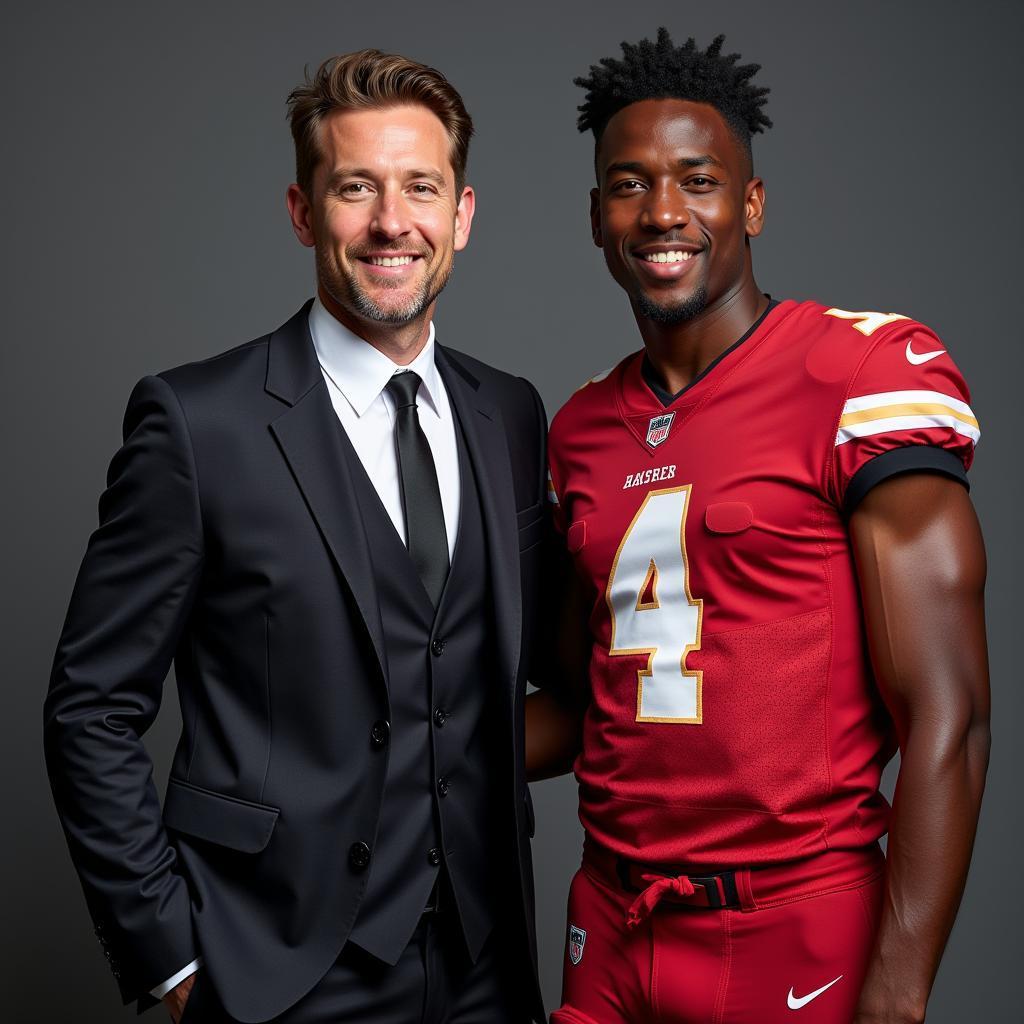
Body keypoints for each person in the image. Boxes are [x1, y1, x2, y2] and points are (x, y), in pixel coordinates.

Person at [44, 49, 547, 1024]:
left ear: (463, 215)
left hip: (488, 967)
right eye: (356, 187)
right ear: (302, 210)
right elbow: (90, 709)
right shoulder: (200, 423)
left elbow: (537, 669)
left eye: (420, 188)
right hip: (278, 972)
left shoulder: (510, 415)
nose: (392, 221)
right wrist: (174, 961)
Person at [529, 28, 990, 1024]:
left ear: (751, 203)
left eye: (696, 179)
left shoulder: (858, 375)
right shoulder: (578, 428)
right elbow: (578, 704)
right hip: (607, 918)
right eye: (628, 183)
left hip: (789, 922)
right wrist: (355, 750)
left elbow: (948, 713)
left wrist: (897, 994)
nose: (660, 212)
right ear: (595, 215)